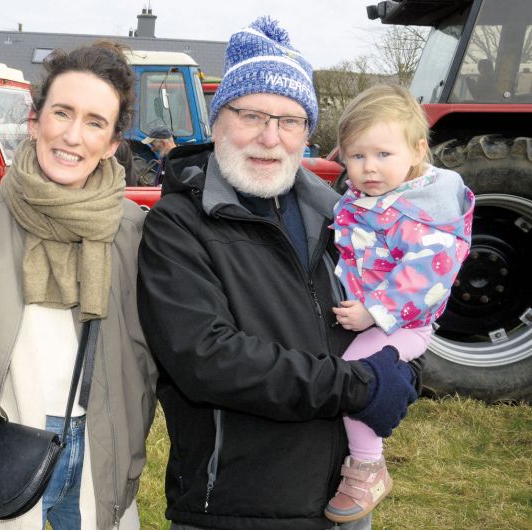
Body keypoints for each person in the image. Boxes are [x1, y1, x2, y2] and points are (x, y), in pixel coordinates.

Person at [136, 17, 422, 530]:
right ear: (218, 121)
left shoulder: (343, 218)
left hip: (343, 500)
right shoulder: (178, 225)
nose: (271, 138)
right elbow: (207, 359)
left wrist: (403, 374)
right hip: (238, 509)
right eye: (252, 115)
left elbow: (398, 310)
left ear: (306, 135)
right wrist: (360, 387)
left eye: (290, 121)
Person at [0, 42, 156, 530]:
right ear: (35, 121)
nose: (74, 136)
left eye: (95, 122)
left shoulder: (134, 229)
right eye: (62, 113)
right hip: (5, 446)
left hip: (102, 446)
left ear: (113, 143)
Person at [324, 83, 474, 523]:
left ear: (417, 151)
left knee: (357, 376)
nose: (369, 168)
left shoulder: (425, 212)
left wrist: (374, 311)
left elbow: (426, 277)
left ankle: (368, 466)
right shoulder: (367, 199)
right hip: (373, 315)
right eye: (356, 156)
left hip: (404, 324)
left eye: (383, 155)